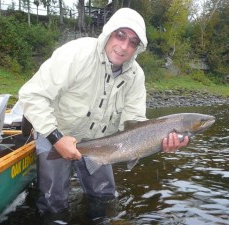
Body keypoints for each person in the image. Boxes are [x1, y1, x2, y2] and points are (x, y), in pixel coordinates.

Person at [19, 7, 189, 217]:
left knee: (105, 196)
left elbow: (134, 122)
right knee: (54, 202)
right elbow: (31, 95)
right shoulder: (76, 53)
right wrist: (56, 138)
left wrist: (159, 141)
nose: (124, 46)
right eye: (120, 35)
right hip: (54, 130)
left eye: (133, 42)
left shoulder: (136, 76)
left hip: (101, 142)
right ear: (109, 32)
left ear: (138, 48)